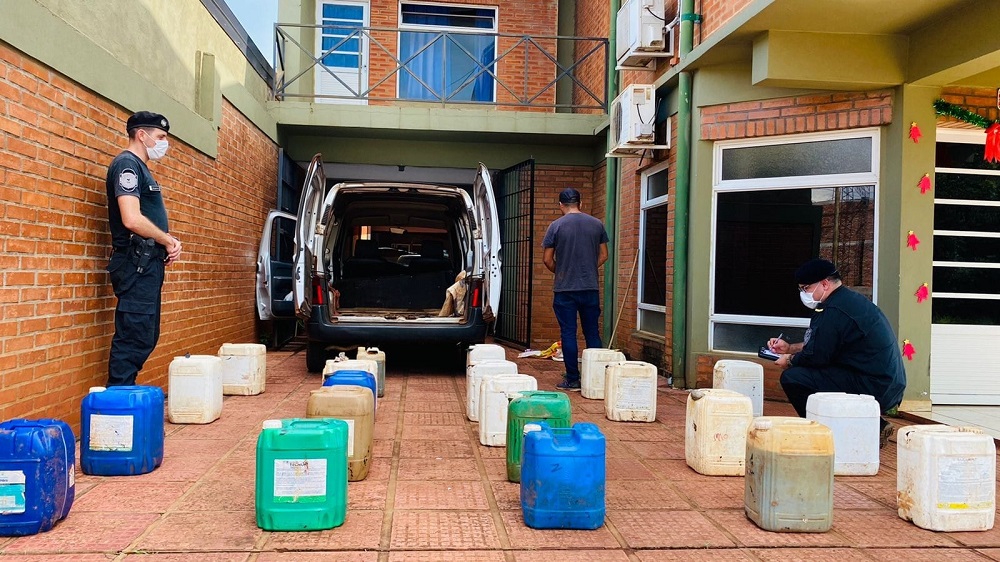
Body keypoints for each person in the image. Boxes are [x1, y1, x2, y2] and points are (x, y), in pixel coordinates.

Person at [767, 258, 906, 448]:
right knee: (815, 373)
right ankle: (874, 425)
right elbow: (822, 345)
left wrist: (790, 360)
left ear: (824, 284)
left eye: (806, 288)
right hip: (887, 383)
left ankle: (826, 434)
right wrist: (789, 348)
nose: (803, 294)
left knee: (794, 378)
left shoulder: (832, 310)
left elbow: (817, 357)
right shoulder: (848, 301)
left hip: (874, 385)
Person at [104, 111, 182, 387]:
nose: (164, 143)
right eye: (160, 137)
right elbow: (131, 219)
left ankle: (124, 394)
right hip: (136, 263)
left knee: (144, 334)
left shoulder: (140, 167)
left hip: (147, 263)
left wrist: (166, 239)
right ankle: (119, 400)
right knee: (134, 335)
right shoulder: (127, 165)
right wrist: (166, 240)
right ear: (141, 135)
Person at [542, 188, 609, 391]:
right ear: (581, 203)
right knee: (592, 331)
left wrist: (562, 270)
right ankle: (596, 378)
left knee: (568, 333)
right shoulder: (597, 224)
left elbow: (547, 259)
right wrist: (587, 269)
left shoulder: (556, 226)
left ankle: (573, 379)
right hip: (590, 287)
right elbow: (604, 255)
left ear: (560, 205)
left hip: (565, 290)